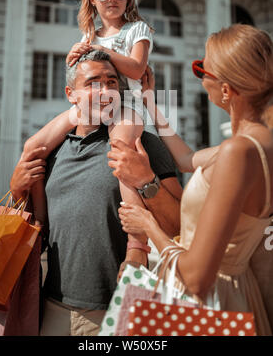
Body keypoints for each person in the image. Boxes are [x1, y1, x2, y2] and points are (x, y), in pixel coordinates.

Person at [113, 24, 273, 336]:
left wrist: (149, 226)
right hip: (241, 293)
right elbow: (186, 160)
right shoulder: (259, 145)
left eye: (202, 68)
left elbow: (197, 276)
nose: (199, 77)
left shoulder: (237, 152)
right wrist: (150, 101)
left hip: (209, 303)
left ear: (226, 89)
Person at [10, 50, 182, 336]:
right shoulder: (53, 151)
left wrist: (146, 182)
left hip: (118, 309)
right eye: (92, 83)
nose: (105, 91)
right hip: (53, 306)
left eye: (112, 82)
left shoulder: (143, 144)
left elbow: (179, 225)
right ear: (71, 94)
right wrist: (17, 191)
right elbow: (37, 233)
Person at [22, 0, 155, 262]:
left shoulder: (137, 29)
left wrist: (101, 50)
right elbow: (77, 74)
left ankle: (136, 244)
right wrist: (75, 55)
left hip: (125, 105)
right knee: (33, 147)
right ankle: (39, 227)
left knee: (121, 152)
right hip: (89, 106)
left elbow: (136, 68)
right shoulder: (89, 33)